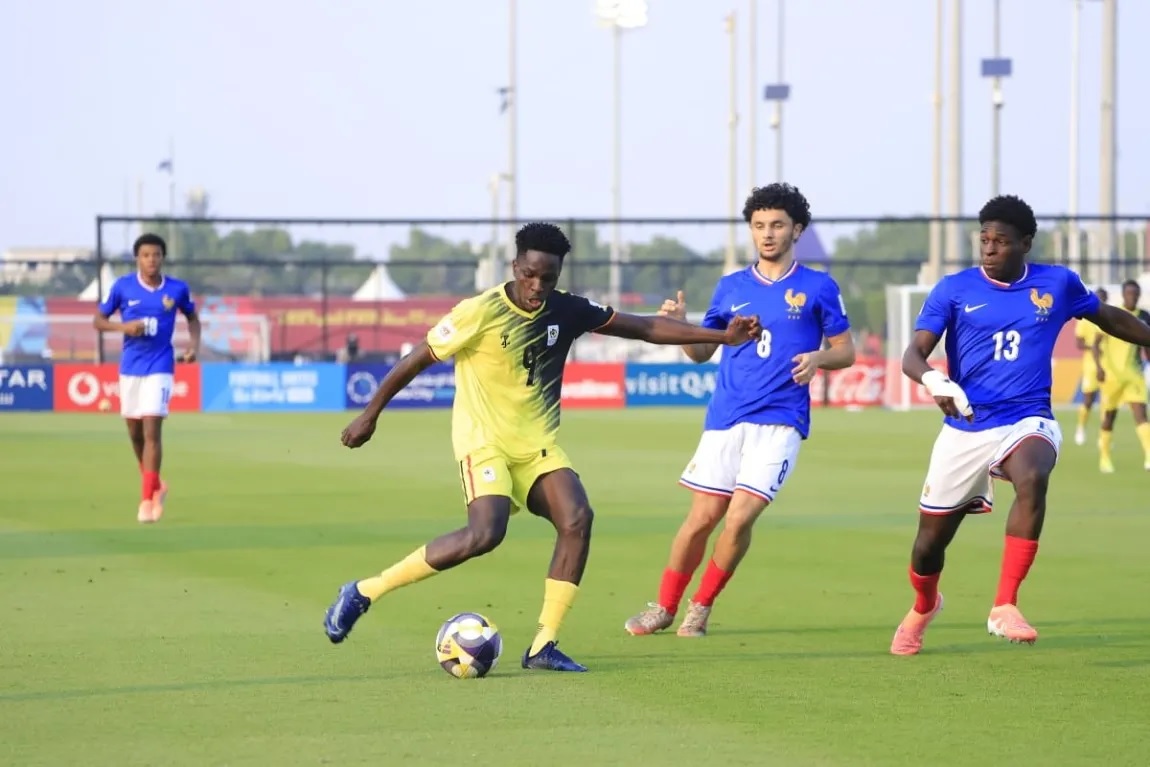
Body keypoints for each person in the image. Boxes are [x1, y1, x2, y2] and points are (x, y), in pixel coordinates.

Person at [323, 222, 762, 672]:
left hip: (537, 447)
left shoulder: (567, 310)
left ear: (558, 273)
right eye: (529, 274)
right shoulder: (480, 311)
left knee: (577, 518)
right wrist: (370, 413)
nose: (537, 286)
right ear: (515, 266)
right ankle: (363, 591)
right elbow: (417, 358)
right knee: (485, 534)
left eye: (547, 278)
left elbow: (645, 327)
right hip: (484, 443)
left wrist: (722, 337)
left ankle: (542, 646)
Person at [890, 195, 1150, 656]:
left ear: (1025, 243)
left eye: (1001, 241)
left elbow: (1105, 316)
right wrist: (935, 380)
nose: (989, 249)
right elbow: (913, 354)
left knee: (1032, 475)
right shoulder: (953, 289)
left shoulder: (1057, 284)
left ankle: (1004, 605)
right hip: (967, 426)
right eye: (984, 240)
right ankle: (924, 606)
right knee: (928, 545)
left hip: (1028, 417)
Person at [623, 183, 856, 638]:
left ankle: (701, 606)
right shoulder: (731, 287)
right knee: (700, 520)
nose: (767, 234)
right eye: (759, 226)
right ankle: (664, 606)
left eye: (777, 225)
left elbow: (845, 351)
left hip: (781, 421)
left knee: (740, 516)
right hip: (726, 418)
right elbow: (700, 355)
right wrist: (681, 327)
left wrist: (818, 358)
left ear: (797, 230)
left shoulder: (818, 287)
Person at [93, 233, 199, 524]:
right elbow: (98, 321)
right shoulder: (122, 287)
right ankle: (156, 483)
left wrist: (193, 346)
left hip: (161, 364)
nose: (151, 260)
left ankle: (146, 502)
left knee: (153, 428)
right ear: (137, 258)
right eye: (146, 255)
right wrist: (125, 327)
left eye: (156, 255)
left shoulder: (177, 289)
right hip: (130, 367)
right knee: (135, 433)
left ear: (162, 257)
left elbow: (192, 317)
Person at [1093, 279, 1150, 473]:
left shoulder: (1144, 316)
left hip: (1134, 374)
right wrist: (1099, 368)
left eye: (1135, 294)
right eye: (1129, 294)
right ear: (1124, 294)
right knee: (1109, 417)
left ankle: (1149, 456)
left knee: (1141, 414)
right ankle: (1105, 458)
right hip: (1112, 376)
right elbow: (1095, 343)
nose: (1132, 297)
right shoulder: (1115, 315)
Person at [1072, 287, 1108, 446]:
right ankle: (1081, 428)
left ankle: (1104, 435)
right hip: (1091, 365)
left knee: (1106, 402)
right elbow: (1079, 343)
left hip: (1109, 365)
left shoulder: (1109, 319)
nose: (1101, 301)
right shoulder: (1086, 320)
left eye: (1103, 298)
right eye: (1098, 298)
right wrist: (1092, 347)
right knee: (1088, 399)